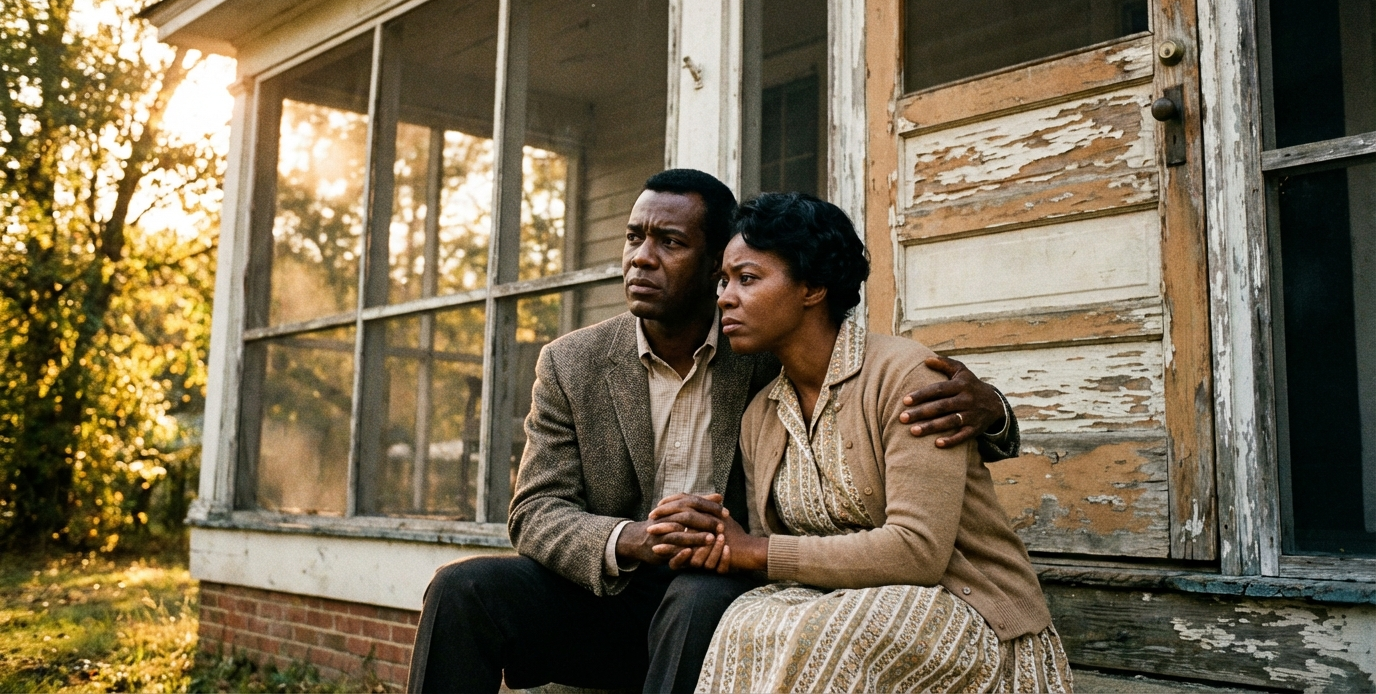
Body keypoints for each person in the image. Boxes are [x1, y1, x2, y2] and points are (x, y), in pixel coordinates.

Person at [405, 170, 1024, 694]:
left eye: (669, 242)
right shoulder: (573, 363)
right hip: (608, 587)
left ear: (714, 264)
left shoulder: (766, 352)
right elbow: (536, 511)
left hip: (717, 593)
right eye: (633, 237)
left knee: (697, 597)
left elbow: (863, 378)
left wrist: (991, 408)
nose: (641, 257)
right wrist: (636, 540)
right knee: (464, 590)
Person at [658, 192, 1071, 693]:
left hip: (961, 606)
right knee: (742, 621)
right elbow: (770, 558)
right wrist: (716, 536)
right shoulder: (760, 415)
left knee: (824, 635)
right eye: (724, 280)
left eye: (747, 279)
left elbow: (918, 551)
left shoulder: (908, 376)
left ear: (813, 286)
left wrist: (756, 552)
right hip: (827, 602)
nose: (724, 296)